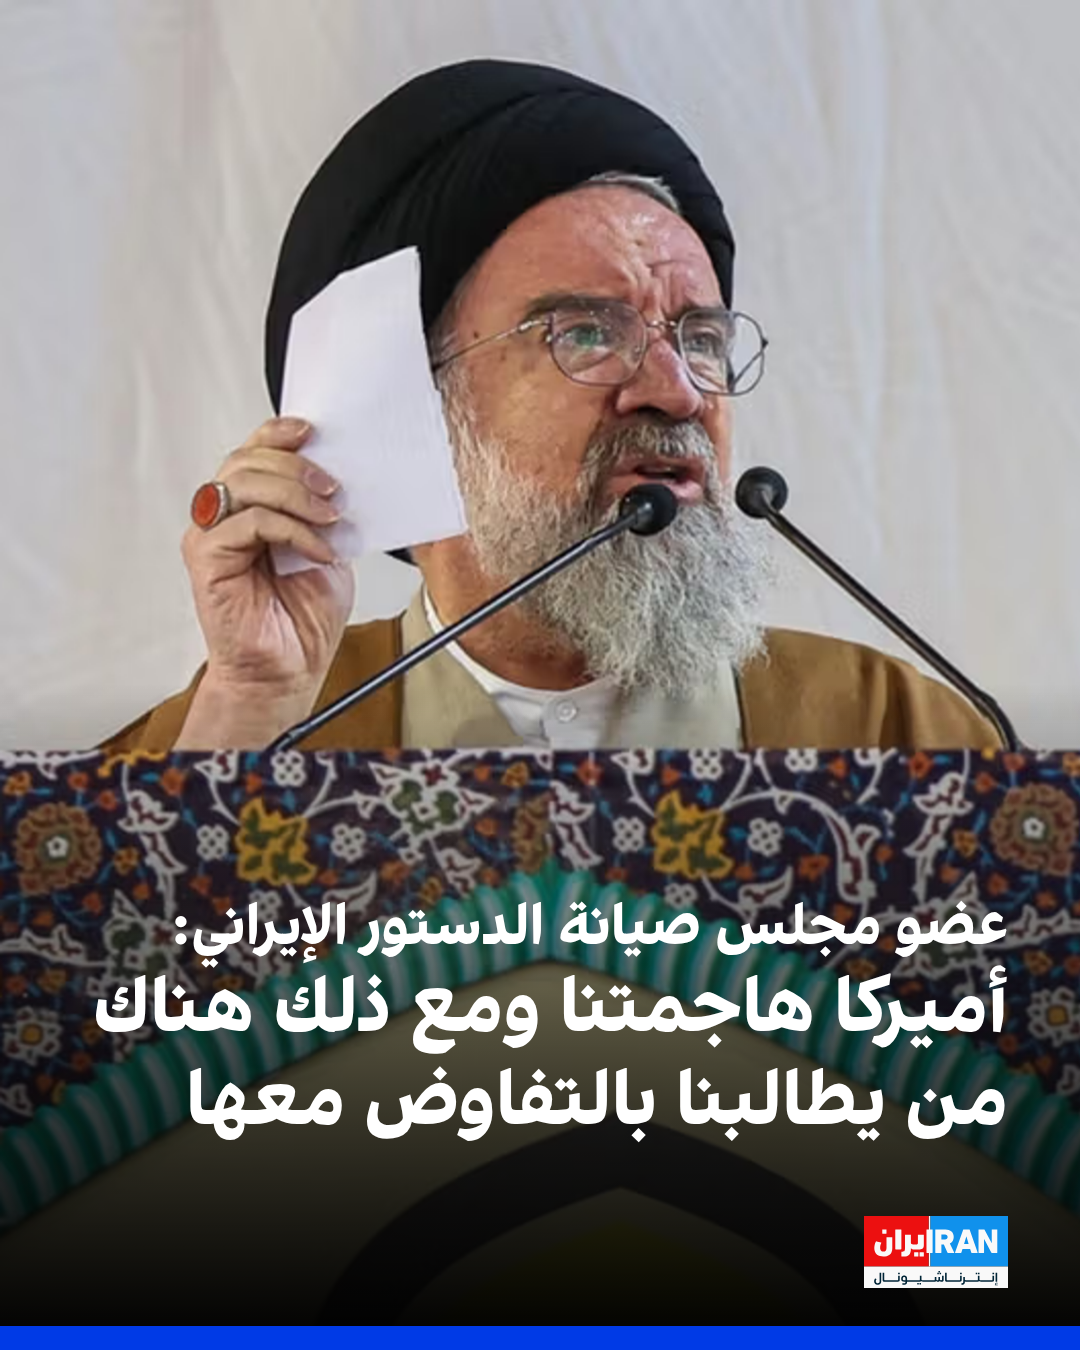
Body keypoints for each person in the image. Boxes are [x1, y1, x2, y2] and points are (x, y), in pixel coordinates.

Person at [104, 60, 998, 754]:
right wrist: (250, 712)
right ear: (411, 403)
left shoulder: (904, 737)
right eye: (587, 333)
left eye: (700, 338)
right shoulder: (233, 734)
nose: (678, 391)